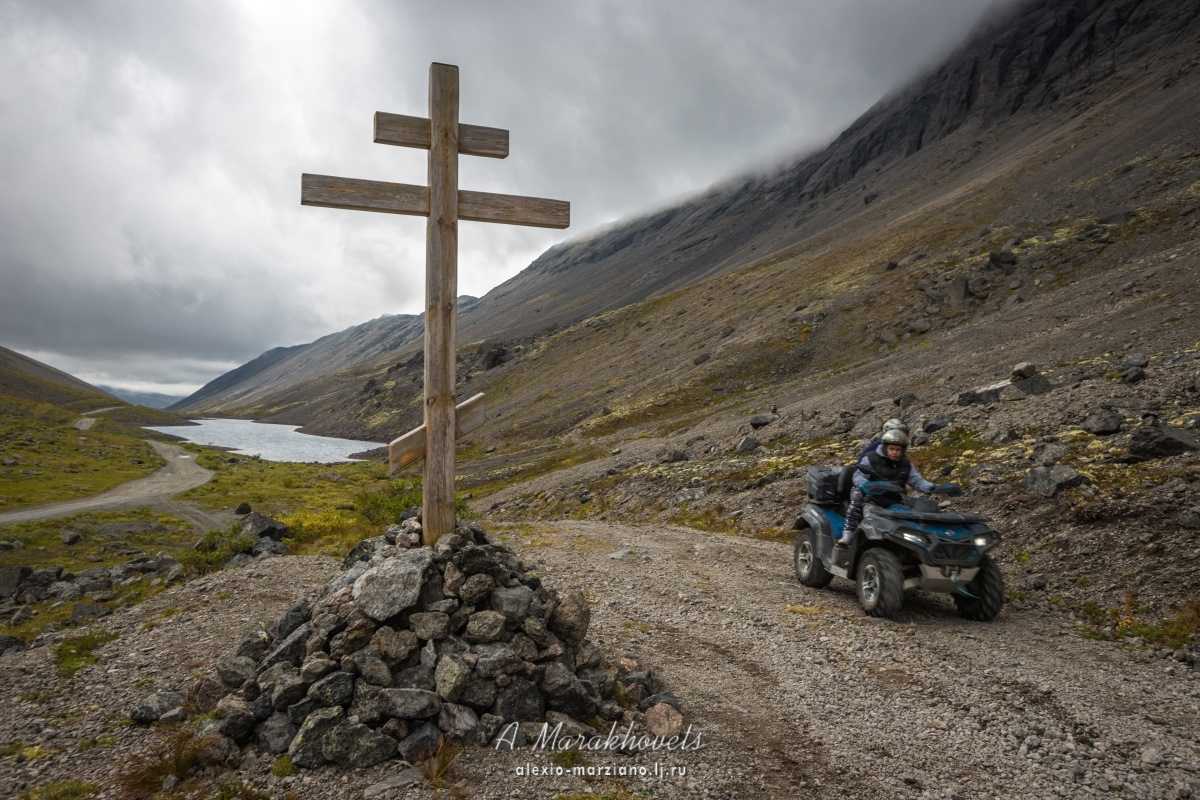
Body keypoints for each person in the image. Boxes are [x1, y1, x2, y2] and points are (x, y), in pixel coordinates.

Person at [838, 428, 961, 546]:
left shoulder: (906, 464)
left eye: (897, 449)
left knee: (909, 526)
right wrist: (866, 484)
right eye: (891, 448)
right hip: (872, 499)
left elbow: (917, 481)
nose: (894, 452)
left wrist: (934, 487)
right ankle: (848, 533)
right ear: (885, 447)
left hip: (896, 501)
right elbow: (858, 475)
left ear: (903, 449)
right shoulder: (870, 458)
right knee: (867, 516)